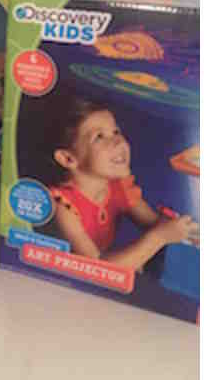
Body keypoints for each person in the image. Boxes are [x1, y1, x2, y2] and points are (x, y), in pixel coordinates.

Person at [18, 93, 198, 272]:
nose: (118, 141)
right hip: (56, 276)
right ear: (68, 159)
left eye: (116, 132)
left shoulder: (119, 187)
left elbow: (154, 223)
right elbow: (96, 268)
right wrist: (159, 238)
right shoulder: (63, 206)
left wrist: (185, 228)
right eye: (99, 136)